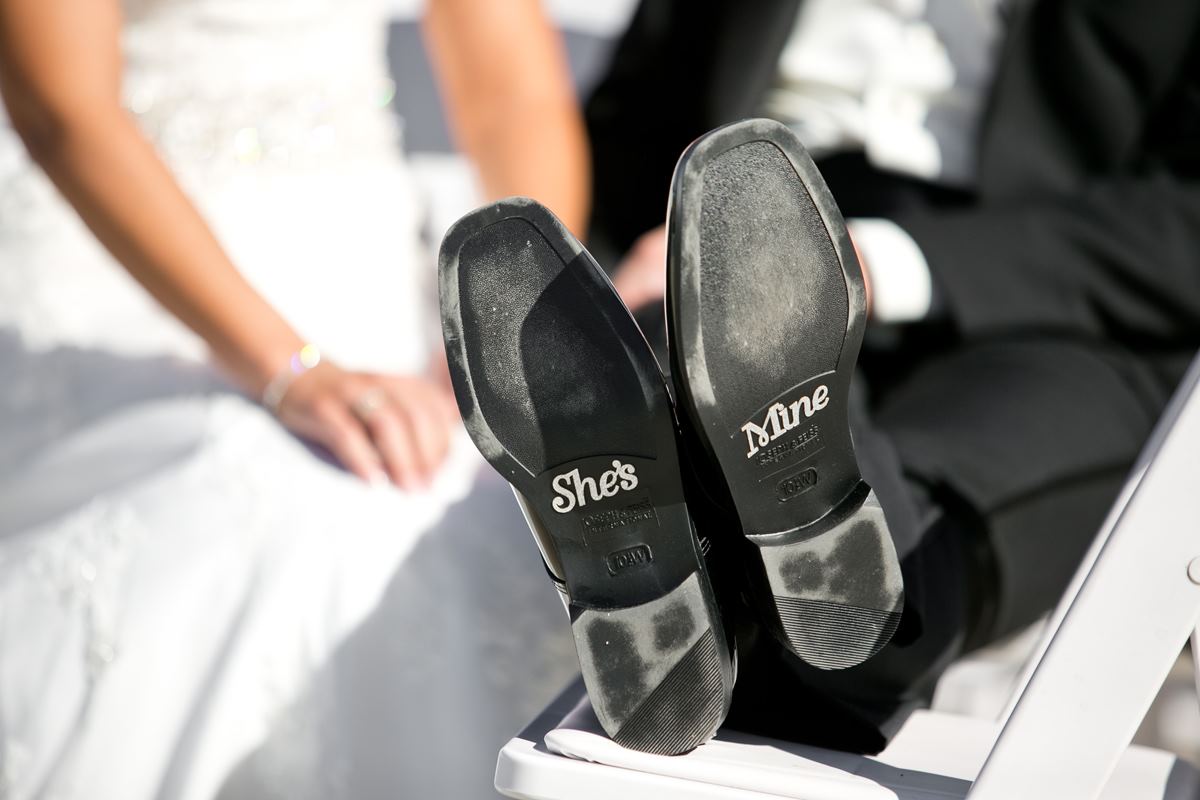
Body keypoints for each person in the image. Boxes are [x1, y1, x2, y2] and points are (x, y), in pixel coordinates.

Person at [0, 0, 584, 796]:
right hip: (125, 264)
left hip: (360, 269)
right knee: (298, 518)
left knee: (503, 515)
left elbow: (513, 92)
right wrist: (292, 373)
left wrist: (503, 318)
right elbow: (63, 107)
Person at [584, 0, 1200, 750]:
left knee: (911, 535)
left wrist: (879, 261)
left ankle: (659, 553)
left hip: (1050, 300)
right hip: (730, 236)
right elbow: (640, 109)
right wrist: (603, 278)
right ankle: (754, 569)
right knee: (704, 362)